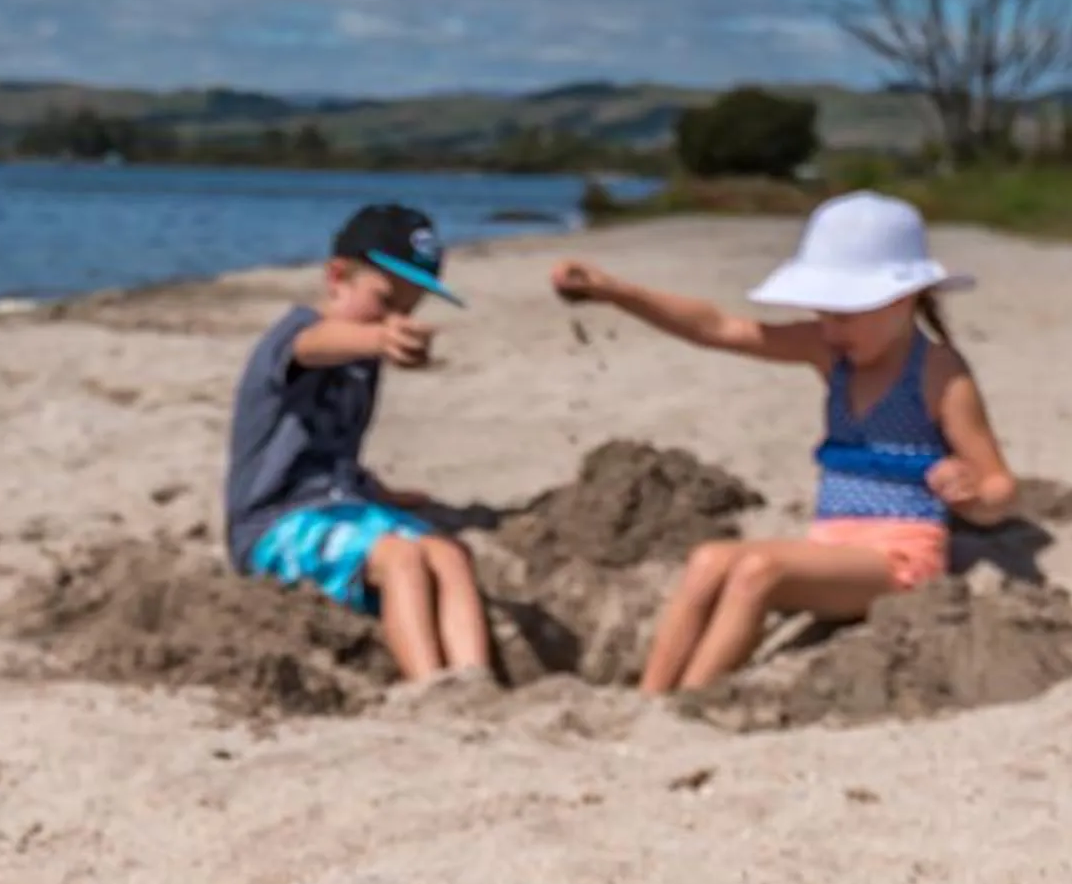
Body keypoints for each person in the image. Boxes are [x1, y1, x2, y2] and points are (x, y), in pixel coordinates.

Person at [550, 191, 1018, 695]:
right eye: (822, 311)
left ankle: (689, 698)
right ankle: (650, 694)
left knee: (759, 570)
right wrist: (615, 291)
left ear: (903, 299)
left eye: (845, 312)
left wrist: (971, 493)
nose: (828, 326)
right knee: (709, 559)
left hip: (900, 560)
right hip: (830, 547)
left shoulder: (938, 372)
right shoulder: (830, 352)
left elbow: (1000, 487)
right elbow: (719, 328)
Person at [224, 204, 493, 685]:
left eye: (410, 309)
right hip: (275, 521)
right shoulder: (295, 337)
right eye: (385, 301)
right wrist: (376, 338)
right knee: (401, 558)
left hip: (343, 503)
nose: (397, 319)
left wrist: (378, 492)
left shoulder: (365, 360)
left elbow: (332, 451)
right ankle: (429, 684)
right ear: (337, 276)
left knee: (449, 554)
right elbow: (312, 346)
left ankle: (474, 678)